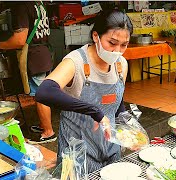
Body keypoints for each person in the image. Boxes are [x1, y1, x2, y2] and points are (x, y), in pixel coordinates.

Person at [35, 9, 132, 172]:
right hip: (78, 154)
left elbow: (118, 102)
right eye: (112, 43)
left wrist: (127, 130)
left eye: (124, 45)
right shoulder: (76, 61)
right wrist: (94, 111)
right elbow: (44, 92)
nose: (117, 51)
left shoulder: (121, 64)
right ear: (96, 36)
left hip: (110, 149)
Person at [0, 1, 56, 143]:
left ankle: (48, 132)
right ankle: (43, 125)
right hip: (44, 53)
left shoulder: (22, 6)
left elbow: (19, 40)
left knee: (40, 96)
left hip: (34, 56)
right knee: (44, 93)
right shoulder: (39, 3)